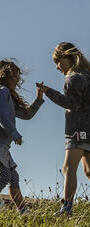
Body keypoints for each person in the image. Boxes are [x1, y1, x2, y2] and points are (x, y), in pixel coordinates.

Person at [0, 60, 44, 215]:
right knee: (4, 175)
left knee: (13, 177)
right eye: (16, 76)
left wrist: (39, 98)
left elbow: (27, 115)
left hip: (0, 143)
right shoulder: (1, 92)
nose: (18, 81)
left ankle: (23, 210)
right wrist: (14, 133)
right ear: (5, 76)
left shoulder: (6, 96)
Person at [37, 42, 90, 216]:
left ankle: (66, 209)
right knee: (88, 171)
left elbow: (72, 104)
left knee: (68, 168)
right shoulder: (87, 75)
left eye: (58, 61)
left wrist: (48, 92)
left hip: (78, 129)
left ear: (68, 57)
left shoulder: (73, 78)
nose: (58, 67)